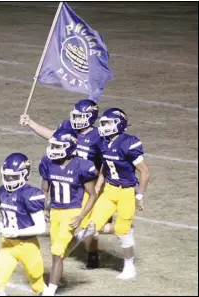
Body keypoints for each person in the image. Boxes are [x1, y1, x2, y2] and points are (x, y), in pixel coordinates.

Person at [20, 99, 112, 269]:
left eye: (81, 116)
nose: (76, 119)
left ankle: (117, 232)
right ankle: (88, 256)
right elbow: (52, 135)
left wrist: (99, 184)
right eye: (76, 115)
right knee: (84, 226)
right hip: (69, 178)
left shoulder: (99, 136)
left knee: (88, 225)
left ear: (90, 117)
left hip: (88, 180)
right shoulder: (68, 127)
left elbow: (108, 162)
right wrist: (30, 123)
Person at [80, 107, 150, 279]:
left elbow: (145, 171)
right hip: (110, 190)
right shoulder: (103, 142)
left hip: (126, 192)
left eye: (108, 123)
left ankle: (129, 266)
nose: (104, 126)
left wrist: (139, 196)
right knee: (90, 227)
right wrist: (98, 187)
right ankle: (121, 230)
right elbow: (104, 166)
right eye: (103, 123)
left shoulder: (129, 142)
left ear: (120, 124)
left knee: (123, 232)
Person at [38, 128, 97, 296]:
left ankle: (51, 290)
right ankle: (82, 236)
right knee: (59, 252)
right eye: (53, 146)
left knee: (57, 252)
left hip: (72, 211)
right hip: (56, 211)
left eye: (58, 147)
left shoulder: (81, 165)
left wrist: (80, 216)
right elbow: (44, 189)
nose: (53, 150)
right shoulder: (48, 163)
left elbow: (92, 194)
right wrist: (44, 208)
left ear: (69, 147)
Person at [0, 153, 47, 296]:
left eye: (13, 177)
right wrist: (1, 224)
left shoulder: (30, 194)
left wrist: (17, 233)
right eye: (7, 176)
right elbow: (13, 217)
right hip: (8, 245)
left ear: (25, 175)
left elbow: (41, 227)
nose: (9, 180)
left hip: (28, 246)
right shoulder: (1, 192)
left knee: (37, 283)